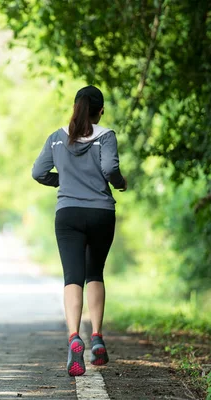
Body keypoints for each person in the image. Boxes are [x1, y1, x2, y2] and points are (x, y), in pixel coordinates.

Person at [31, 85, 127, 377]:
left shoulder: (57, 138)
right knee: (94, 272)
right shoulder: (106, 136)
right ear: (100, 111)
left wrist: (64, 181)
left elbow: (38, 172)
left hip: (68, 214)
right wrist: (120, 182)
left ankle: (75, 338)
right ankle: (96, 336)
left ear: (75, 108)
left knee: (72, 277)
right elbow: (110, 168)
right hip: (100, 213)